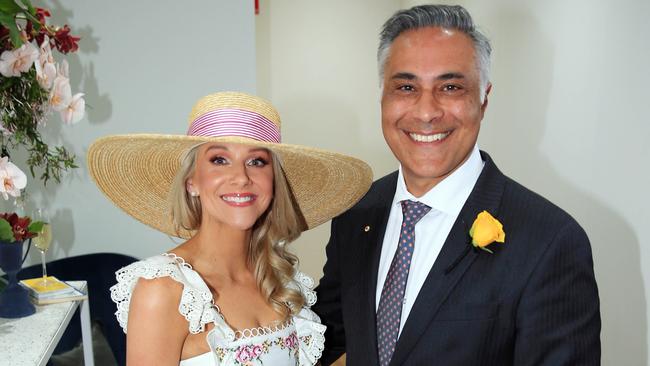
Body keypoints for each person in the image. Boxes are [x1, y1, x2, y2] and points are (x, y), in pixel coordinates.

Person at [313, 5, 600, 366]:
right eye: (406, 87)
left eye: (450, 87)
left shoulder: (550, 242)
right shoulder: (356, 213)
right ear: (382, 98)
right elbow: (327, 341)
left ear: (484, 99)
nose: (427, 112)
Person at [87, 91, 372, 365]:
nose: (241, 177)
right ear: (192, 181)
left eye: (257, 161)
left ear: (272, 181)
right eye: (219, 160)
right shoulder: (164, 289)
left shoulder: (283, 282)